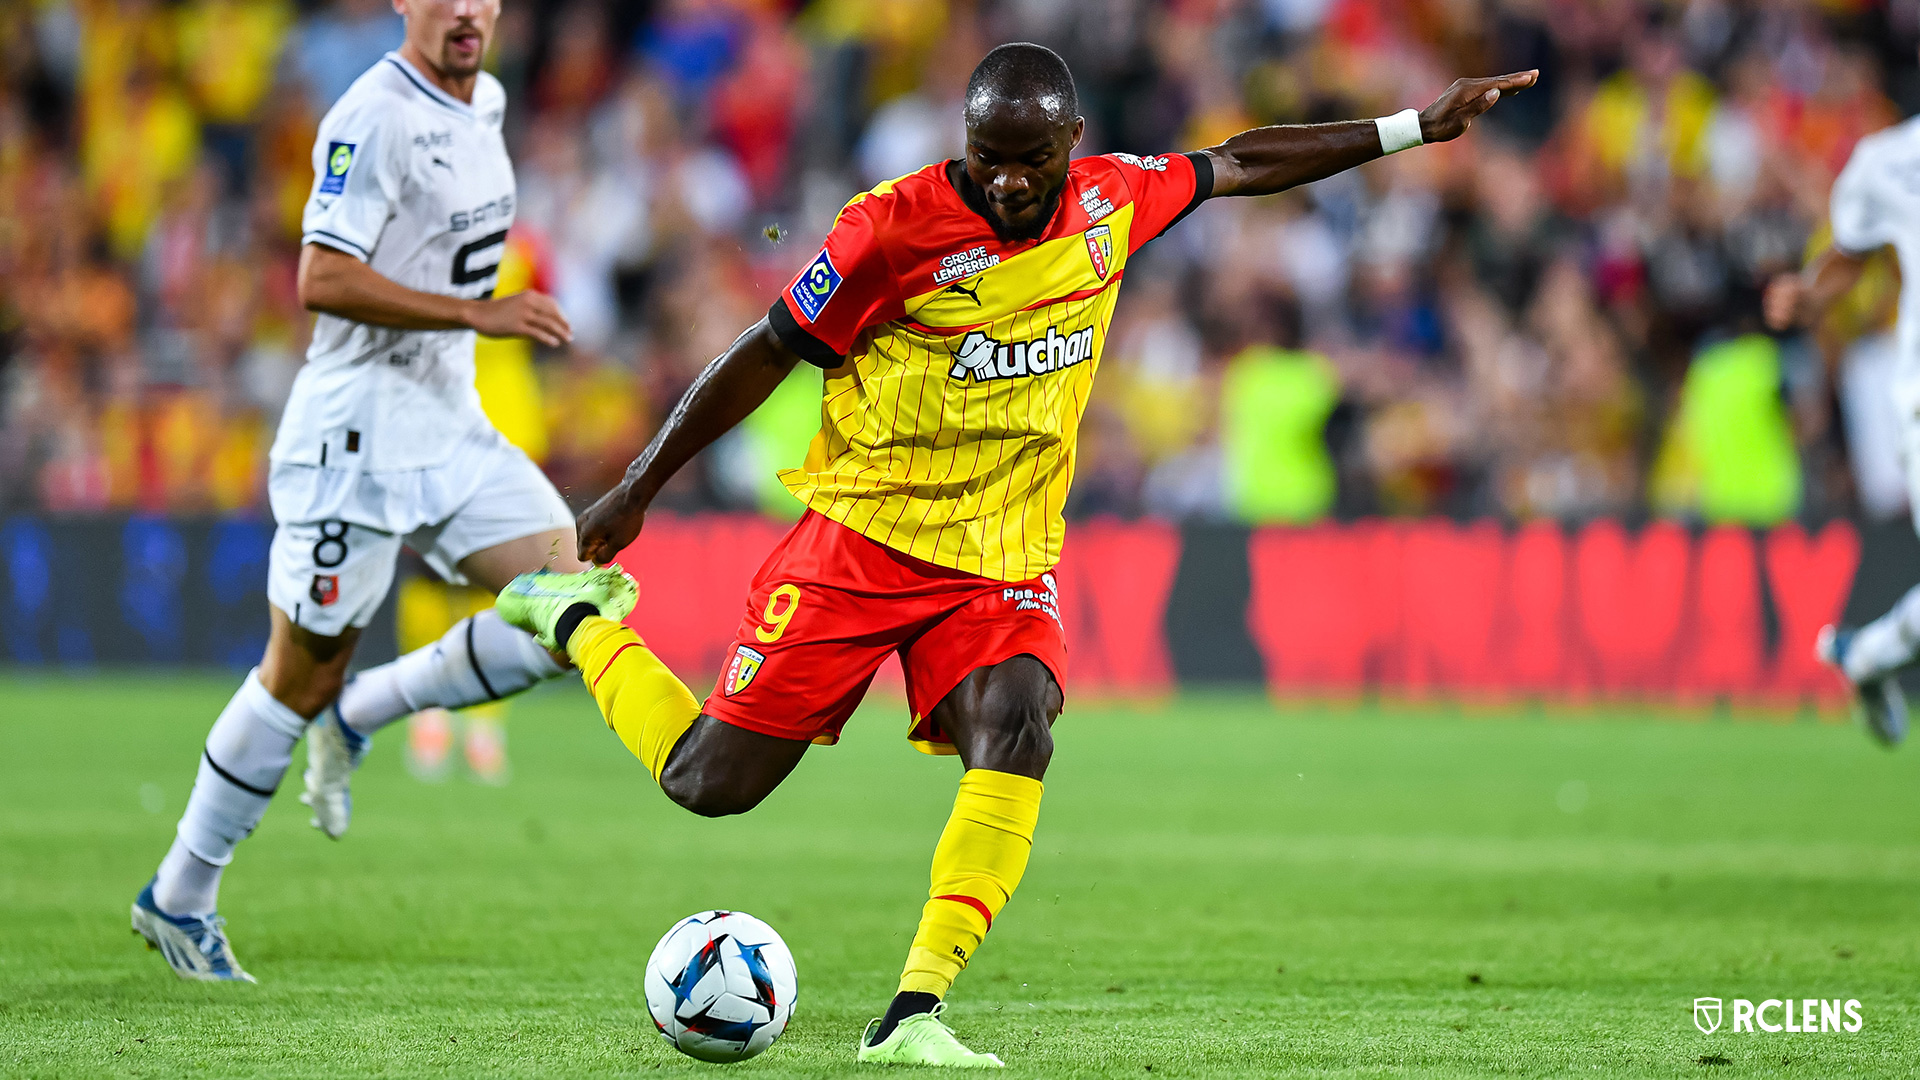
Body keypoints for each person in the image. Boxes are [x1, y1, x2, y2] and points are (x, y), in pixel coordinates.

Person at [499, 43, 1535, 1066]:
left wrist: (1411, 127)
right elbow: (768, 348)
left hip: (1001, 555)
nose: (1003, 179)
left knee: (1020, 723)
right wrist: (639, 485)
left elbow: (1241, 163)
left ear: (1071, 144)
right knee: (708, 784)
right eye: (984, 154)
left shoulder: (1114, 199)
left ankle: (912, 1013)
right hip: (864, 539)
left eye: (1028, 159)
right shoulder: (889, 231)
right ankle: (573, 618)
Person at [132, 0, 590, 983]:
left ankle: (365, 715)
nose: (466, 11)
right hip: (355, 435)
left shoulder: (488, 103)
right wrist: (480, 312)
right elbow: (321, 278)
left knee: (572, 600)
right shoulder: (370, 116)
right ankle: (179, 896)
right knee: (298, 674)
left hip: (450, 422)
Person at [1767, 110, 1920, 748]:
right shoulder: (1890, 161)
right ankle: (1873, 651)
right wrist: (1807, 293)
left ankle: (1870, 652)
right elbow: (1850, 252)